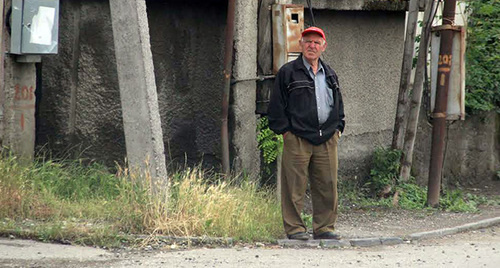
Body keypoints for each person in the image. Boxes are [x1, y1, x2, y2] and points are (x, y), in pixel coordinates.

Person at [267, 26, 345, 240]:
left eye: (316, 42)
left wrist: (338, 128)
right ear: (300, 45)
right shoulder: (288, 72)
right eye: (308, 41)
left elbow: (338, 104)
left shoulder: (330, 73)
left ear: (323, 47)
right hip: (297, 138)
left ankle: (324, 228)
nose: (312, 45)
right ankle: (295, 229)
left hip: (327, 138)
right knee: (294, 186)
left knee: (328, 185)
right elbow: (275, 106)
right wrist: (285, 132)